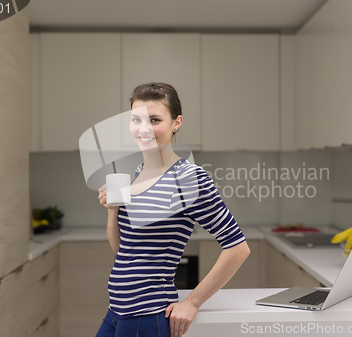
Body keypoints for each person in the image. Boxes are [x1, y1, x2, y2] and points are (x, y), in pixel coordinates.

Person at [96, 82, 250, 337]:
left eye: (154, 120)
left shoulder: (188, 177)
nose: (144, 129)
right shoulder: (138, 174)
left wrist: (193, 301)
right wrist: (113, 210)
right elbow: (122, 251)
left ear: (176, 123)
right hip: (117, 310)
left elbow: (238, 247)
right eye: (136, 119)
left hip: (146, 315)